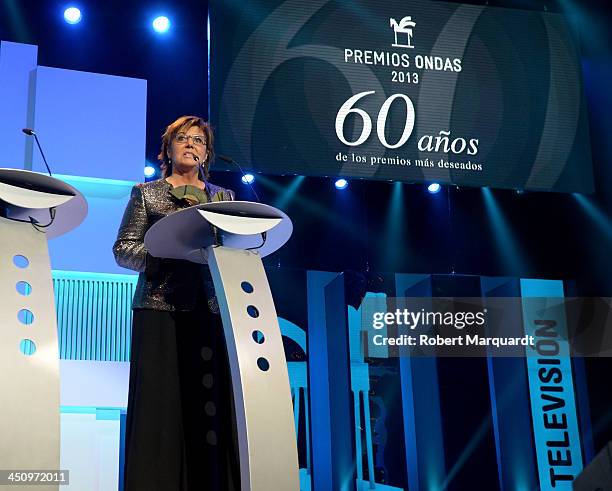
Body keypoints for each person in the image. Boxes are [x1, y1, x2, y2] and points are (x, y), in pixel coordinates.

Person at [113, 115, 240, 490]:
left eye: (198, 140)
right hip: (159, 309)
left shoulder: (223, 198)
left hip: (211, 311)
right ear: (168, 148)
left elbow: (233, 249)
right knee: (161, 409)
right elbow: (124, 250)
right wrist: (169, 253)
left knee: (208, 403)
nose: (190, 144)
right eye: (182, 138)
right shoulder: (147, 193)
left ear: (207, 152)